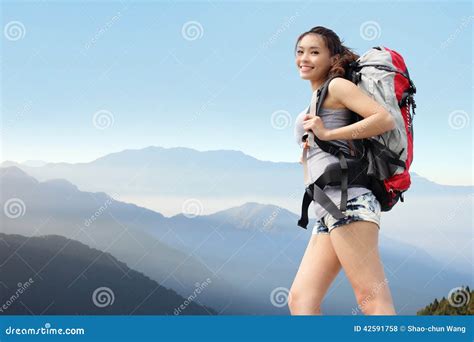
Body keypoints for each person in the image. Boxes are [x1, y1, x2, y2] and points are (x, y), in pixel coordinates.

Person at [290, 26, 396, 315]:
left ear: (332, 57)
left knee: (372, 300)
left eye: (314, 52)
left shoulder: (337, 86)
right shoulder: (314, 100)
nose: (305, 58)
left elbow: (384, 119)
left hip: (349, 202)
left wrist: (327, 134)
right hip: (327, 206)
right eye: (300, 52)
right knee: (301, 301)